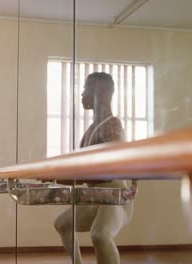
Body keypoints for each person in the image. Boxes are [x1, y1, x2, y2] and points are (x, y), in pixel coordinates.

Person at [54, 72, 137, 264]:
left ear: (101, 91)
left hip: (114, 199)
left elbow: (107, 172)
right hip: (96, 198)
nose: (82, 94)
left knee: (100, 235)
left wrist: (63, 176)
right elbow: (81, 168)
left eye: (86, 88)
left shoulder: (112, 125)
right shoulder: (91, 130)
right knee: (62, 224)